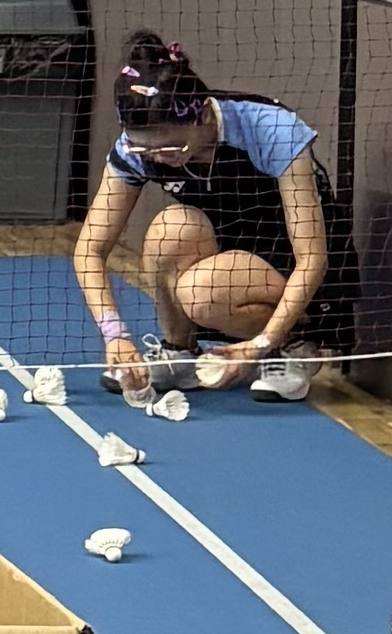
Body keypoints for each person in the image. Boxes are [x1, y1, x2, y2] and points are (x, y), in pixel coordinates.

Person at [74, 29, 335, 400]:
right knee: (169, 230)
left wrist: (261, 342)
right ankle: (179, 352)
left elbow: (313, 259)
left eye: (171, 148)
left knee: (202, 290)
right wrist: (115, 335)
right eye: (147, 152)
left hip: (295, 264)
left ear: (202, 118)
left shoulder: (270, 129)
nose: (160, 159)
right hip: (227, 255)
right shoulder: (137, 148)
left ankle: (294, 346)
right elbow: (90, 250)